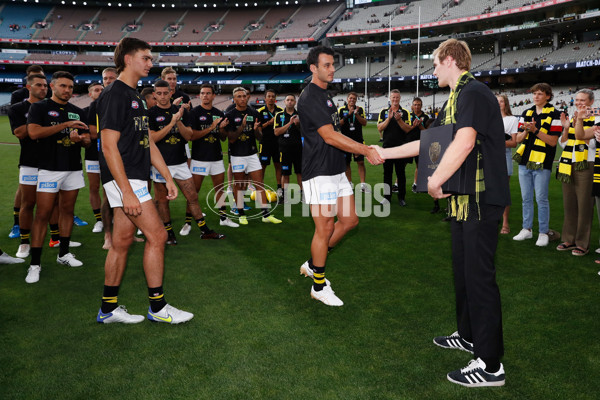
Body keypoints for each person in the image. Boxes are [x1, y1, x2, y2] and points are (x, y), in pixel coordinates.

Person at [375, 38, 509, 387]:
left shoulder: (473, 93)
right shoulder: (454, 98)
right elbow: (427, 143)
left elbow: (464, 142)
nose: (432, 70)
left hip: (480, 198)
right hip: (464, 201)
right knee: (464, 275)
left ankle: (491, 365)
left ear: (450, 60)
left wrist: (435, 180)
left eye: (435, 63)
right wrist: (381, 153)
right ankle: (468, 337)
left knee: (479, 280)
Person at [95, 37, 193, 324]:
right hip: (125, 180)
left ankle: (108, 309)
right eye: (146, 58)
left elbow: (147, 142)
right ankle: (158, 308)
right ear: (128, 59)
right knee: (158, 235)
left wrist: (167, 176)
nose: (151, 63)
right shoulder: (115, 94)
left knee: (122, 242)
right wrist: (126, 191)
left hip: (133, 178)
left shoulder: (136, 96)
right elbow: (109, 145)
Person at [297, 46, 383, 306]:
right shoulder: (310, 96)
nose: (332, 69)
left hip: (335, 170)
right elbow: (329, 136)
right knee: (324, 227)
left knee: (350, 220)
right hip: (319, 172)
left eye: (333, 64)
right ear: (313, 68)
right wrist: (366, 150)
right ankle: (318, 286)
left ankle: (313, 264)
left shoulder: (326, 94)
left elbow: (337, 134)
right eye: (326, 65)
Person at [25, 71, 90, 284]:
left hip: (72, 168)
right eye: (63, 86)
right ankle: (35, 264)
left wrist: (79, 139)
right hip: (49, 168)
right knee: (42, 214)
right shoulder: (39, 107)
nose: (67, 90)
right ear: (52, 86)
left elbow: (87, 140)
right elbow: (33, 133)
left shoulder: (77, 111)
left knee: (68, 211)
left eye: (70, 87)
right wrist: (64, 126)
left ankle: (63, 254)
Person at [148, 80, 224, 242]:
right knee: (162, 200)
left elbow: (189, 136)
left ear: (170, 93)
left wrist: (179, 120)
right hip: (161, 164)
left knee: (192, 197)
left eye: (165, 93)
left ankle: (205, 230)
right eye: (159, 93)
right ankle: (169, 232)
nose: (162, 96)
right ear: (154, 95)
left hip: (180, 162)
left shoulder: (180, 111)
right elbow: (152, 139)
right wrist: (172, 122)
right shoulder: (151, 113)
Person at [512, 83, 562, 247]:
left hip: (543, 162)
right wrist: (527, 130)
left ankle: (543, 232)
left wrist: (534, 130)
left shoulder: (555, 114)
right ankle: (526, 229)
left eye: (540, 94)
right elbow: (518, 139)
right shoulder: (527, 112)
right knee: (526, 198)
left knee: (541, 198)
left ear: (548, 96)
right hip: (525, 160)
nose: (536, 97)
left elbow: (553, 142)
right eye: (534, 94)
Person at [224, 87, 282, 225]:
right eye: (239, 96)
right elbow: (231, 138)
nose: (242, 98)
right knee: (239, 184)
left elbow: (260, 138)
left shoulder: (254, 112)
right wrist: (242, 127)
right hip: (237, 155)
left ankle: (265, 214)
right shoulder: (230, 115)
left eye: (244, 96)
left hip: (251, 154)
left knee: (259, 184)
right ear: (234, 99)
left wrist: (256, 130)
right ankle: (241, 214)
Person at [187, 83, 238, 231]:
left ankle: (223, 218)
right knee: (193, 192)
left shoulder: (219, 113)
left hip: (216, 157)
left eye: (208, 93)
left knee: (219, 190)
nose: (205, 96)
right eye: (202, 93)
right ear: (199, 95)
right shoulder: (195, 113)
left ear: (213, 96)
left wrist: (221, 129)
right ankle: (188, 222)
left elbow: (222, 138)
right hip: (199, 158)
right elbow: (192, 136)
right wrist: (211, 127)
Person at [8, 73, 48, 259]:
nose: (43, 88)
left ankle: (55, 237)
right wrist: (36, 120)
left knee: (51, 205)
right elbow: (19, 132)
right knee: (28, 202)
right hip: (30, 162)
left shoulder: (52, 107)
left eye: (45, 85)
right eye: (39, 85)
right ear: (29, 87)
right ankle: (24, 242)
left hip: (52, 162)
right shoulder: (17, 108)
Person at [555, 89, 597, 256]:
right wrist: (566, 128)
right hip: (568, 164)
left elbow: (591, 145)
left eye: (583, 100)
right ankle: (569, 239)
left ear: (591, 102)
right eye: (577, 100)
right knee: (569, 204)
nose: (579, 103)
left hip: (586, 163)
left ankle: (582, 243)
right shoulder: (573, 118)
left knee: (585, 205)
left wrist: (579, 122)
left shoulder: (596, 119)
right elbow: (564, 144)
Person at [377, 89, 413, 206]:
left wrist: (399, 120)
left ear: (400, 98)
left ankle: (401, 198)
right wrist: (388, 118)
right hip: (387, 148)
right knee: (387, 174)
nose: (395, 99)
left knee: (401, 174)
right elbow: (379, 128)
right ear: (390, 98)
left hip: (400, 149)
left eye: (397, 97)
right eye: (393, 97)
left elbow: (408, 129)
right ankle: (387, 198)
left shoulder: (405, 112)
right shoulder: (383, 112)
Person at [82, 82, 105, 234]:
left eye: (102, 90)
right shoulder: (85, 111)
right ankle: (99, 219)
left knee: (110, 187)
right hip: (92, 155)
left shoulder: (111, 109)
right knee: (94, 187)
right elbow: (92, 134)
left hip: (110, 153)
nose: (99, 92)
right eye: (96, 90)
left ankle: (110, 215)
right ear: (90, 94)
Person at [274, 93, 303, 202]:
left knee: (300, 172)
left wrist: (298, 124)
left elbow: (306, 132)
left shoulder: (300, 114)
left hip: (298, 148)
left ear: (295, 102)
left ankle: (303, 195)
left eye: (292, 100)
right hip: (284, 148)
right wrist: (290, 123)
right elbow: (277, 132)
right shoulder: (279, 115)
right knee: (285, 173)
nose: (290, 101)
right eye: (288, 100)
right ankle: (284, 196)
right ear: (285, 102)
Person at [338, 92, 369, 192]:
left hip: (358, 140)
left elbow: (364, 123)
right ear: (347, 99)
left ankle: (363, 185)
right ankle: (349, 183)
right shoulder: (341, 110)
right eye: (350, 98)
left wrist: (356, 114)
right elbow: (338, 124)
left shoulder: (360, 109)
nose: (352, 100)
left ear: (356, 100)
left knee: (360, 162)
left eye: (354, 98)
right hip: (345, 141)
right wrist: (349, 115)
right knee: (346, 163)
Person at [497, 94, 519, 234]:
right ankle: (493, 218)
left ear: (506, 104)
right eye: (496, 102)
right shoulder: (488, 118)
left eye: (501, 101)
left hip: (504, 156)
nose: (498, 104)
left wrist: (496, 142)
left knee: (504, 191)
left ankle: (505, 222)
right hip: (488, 156)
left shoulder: (512, 119)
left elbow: (513, 143)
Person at [257, 89, 284, 197]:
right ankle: (260, 189)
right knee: (262, 166)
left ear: (275, 98)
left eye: (273, 96)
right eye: (269, 96)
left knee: (278, 165)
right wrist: (268, 123)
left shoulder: (281, 111)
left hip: (278, 143)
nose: (271, 98)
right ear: (265, 98)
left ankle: (279, 189)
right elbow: (258, 129)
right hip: (265, 143)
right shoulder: (260, 111)